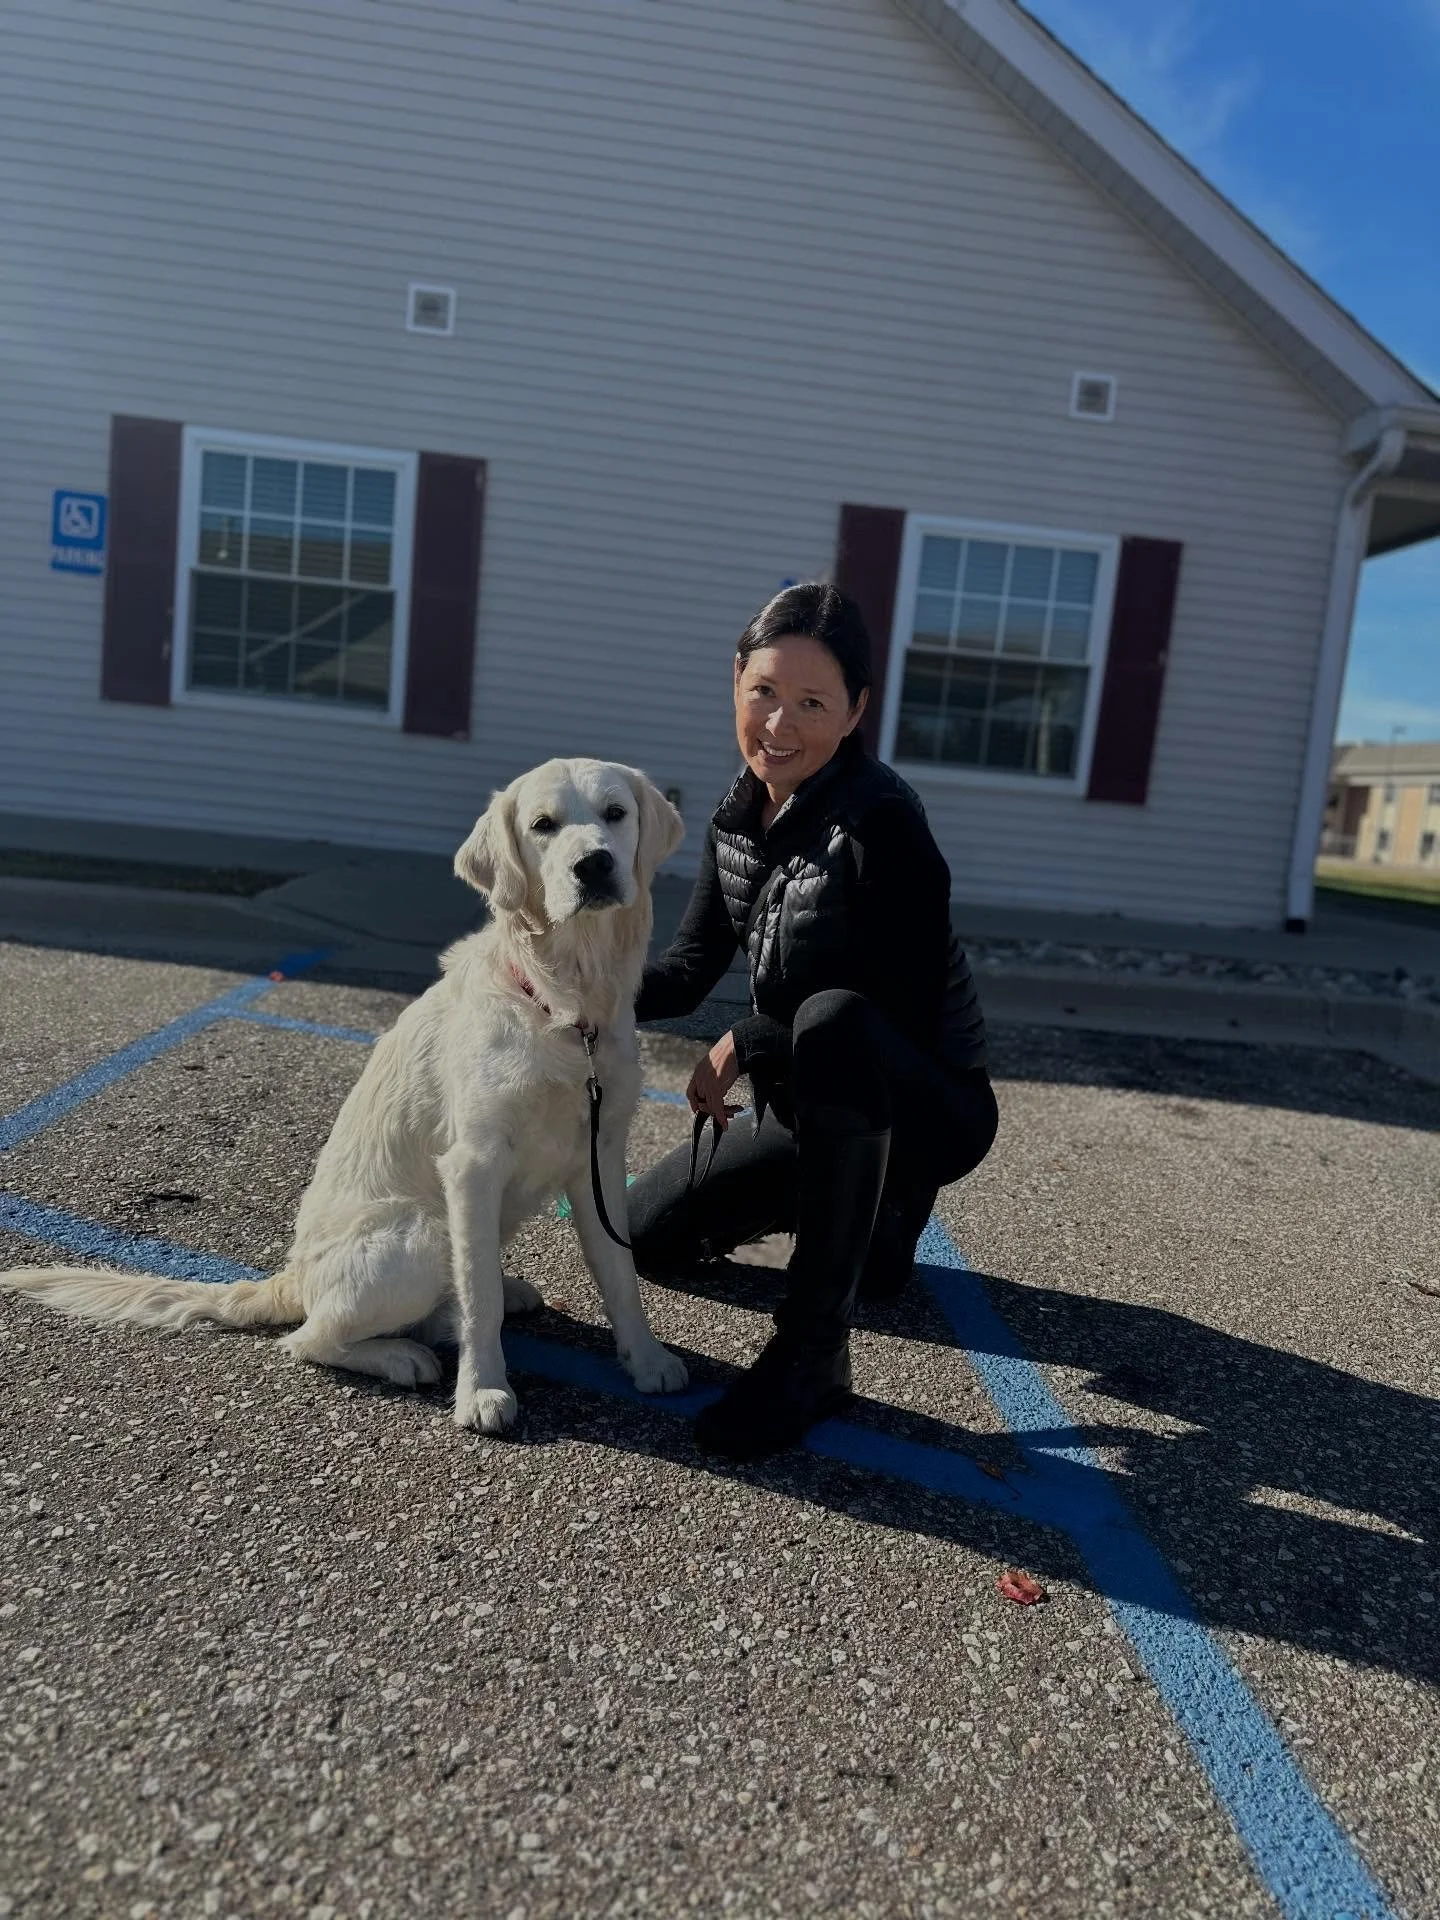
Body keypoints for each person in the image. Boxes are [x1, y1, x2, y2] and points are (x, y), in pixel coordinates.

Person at [628, 582, 998, 1461]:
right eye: (763, 692)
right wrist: (567, 985)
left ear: (856, 710)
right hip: (810, 1099)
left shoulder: (887, 827)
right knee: (646, 1238)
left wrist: (748, 1041)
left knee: (832, 1022)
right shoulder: (740, 814)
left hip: (927, 1106)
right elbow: (684, 974)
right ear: (735, 682)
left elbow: (888, 1017)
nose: (779, 725)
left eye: (812, 703)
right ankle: (865, 1221)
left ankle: (813, 1352)